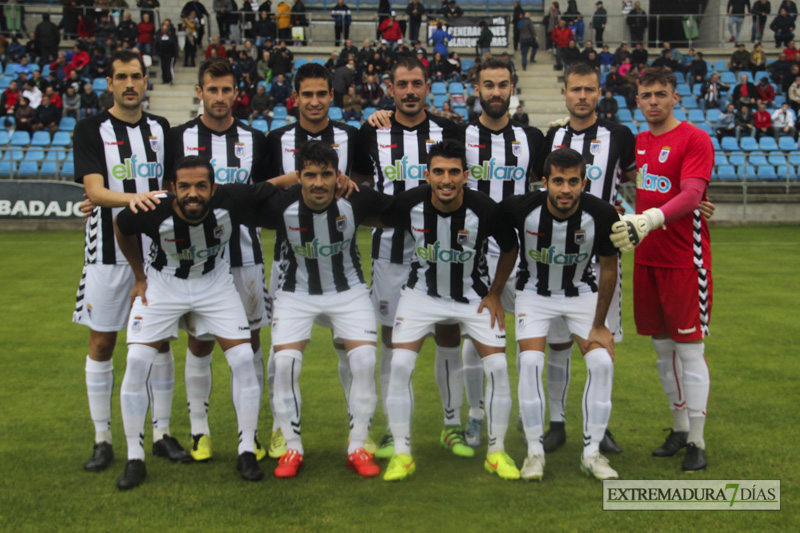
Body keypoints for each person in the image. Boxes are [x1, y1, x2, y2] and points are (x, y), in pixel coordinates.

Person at [112, 157, 278, 489]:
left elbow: (276, 184)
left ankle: (246, 448)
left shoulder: (231, 199)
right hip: (163, 286)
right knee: (136, 360)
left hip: (215, 286)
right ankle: (135, 457)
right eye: (184, 186)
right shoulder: (152, 208)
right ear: (171, 188)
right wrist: (139, 276)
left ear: (213, 188)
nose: (193, 193)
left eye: (201, 185)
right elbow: (121, 225)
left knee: (244, 358)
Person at [72, 51, 189, 475]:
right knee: (102, 343)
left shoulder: (162, 129)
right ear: (109, 83)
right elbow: (96, 191)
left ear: (145, 82)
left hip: (156, 254)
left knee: (158, 343)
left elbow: (173, 186)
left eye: (136, 76)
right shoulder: (89, 129)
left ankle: (161, 433)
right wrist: (132, 200)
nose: (129, 83)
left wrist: (156, 200)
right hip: (106, 253)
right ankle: (103, 438)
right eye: (121, 77)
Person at [379, 139, 520, 481]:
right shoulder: (409, 203)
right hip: (421, 295)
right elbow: (370, 214)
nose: (446, 179)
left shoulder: (484, 208)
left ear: (465, 175)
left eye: (454, 172)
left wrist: (496, 293)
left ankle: (497, 452)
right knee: (399, 364)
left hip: (473, 296)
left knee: (499, 367)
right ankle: (402, 453)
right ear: (427, 175)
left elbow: (510, 246)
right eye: (438, 172)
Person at [258, 141, 390, 479]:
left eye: (327, 175)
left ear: (338, 176)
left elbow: (401, 208)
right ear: (299, 176)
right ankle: (292, 447)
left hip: (348, 292)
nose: (319, 183)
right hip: (295, 292)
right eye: (311, 175)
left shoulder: (356, 199)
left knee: (363, 360)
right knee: (284, 362)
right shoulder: (280, 204)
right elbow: (241, 197)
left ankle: (357, 445)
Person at [354, 57, 463, 461]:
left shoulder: (448, 130)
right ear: (391, 88)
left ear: (427, 86)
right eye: (402, 84)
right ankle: (393, 428)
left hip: (442, 252)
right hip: (390, 252)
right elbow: (360, 183)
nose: (410, 91)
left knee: (449, 334)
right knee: (391, 341)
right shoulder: (371, 132)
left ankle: (452, 425)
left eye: (417, 83)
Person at [164, 58, 271, 464]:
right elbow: (166, 194)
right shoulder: (179, 138)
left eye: (227, 90)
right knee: (200, 341)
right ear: (201, 92)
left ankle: (251, 433)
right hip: (198, 260)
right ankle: (199, 432)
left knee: (251, 342)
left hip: (245, 257)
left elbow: (263, 193)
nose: (221, 97)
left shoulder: (255, 139)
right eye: (213, 90)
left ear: (236, 92)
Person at [611, 66, 713, 473]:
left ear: (675, 97)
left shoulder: (694, 138)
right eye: (646, 95)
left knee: (690, 351)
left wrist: (648, 219)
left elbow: (691, 194)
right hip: (648, 258)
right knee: (661, 351)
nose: (653, 101)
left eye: (661, 94)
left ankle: (698, 441)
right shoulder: (638, 143)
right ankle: (678, 427)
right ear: (637, 101)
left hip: (685, 260)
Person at [501, 147, 620, 481]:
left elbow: (610, 268)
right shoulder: (521, 208)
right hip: (534, 293)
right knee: (530, 362)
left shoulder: (602, 213)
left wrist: (599, 325)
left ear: (584, 182)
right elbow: (485, 218)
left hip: (581, 293)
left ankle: (592, 453)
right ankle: (534, 453)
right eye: (557, 181)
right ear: (544, 182)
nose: (565, 189)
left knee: (602, 363)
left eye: (572, 181)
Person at [263, 62, 362, 458]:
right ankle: (280, 431)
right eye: (308, 94)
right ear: (296, 97)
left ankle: (359, 432)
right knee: (281, 356)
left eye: (322, 94)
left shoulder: (353, 136)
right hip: (291, 264)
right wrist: (298, 177)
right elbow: (261, 191)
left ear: (331, 97)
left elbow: (367, 183)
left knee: (349, 349)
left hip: (341, 265)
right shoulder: (275, 139)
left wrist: (352, 183)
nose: (315, 101)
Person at [539, 62, 635, 455]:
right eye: (575, 89)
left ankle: (600, 427)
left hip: (602, 254)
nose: (582, 96)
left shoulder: (619, 135)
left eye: (589, 90)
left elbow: (635, 180)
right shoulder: (552, 136)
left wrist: (638, 220)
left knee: (602, 341)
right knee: (558, 344)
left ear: (599, 93)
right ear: (565, 93)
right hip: (557, 254)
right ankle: (557, 422)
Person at [459, 57, 546, 448]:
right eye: (488, 85)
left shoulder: (534, 138)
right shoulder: (457, 136)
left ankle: (536, 420)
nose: (496, 92)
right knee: (474, 340)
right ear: (476, 89)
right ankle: (476, 415)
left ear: (513, 88)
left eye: (503, 84)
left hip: (521, 254)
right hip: (474, 254)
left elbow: (562, 182)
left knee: (532, 340)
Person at [156, 21, 178, 85]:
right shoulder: (159, 36)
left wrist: (176, 55)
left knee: (169, 67)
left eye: (166, 29)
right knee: (163, 67)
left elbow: (174, 45)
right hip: (162, 55)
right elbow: (156, 44)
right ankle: (164, 79)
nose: (164, 30)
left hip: (170, 55)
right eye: (163, 29)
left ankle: (171, 79)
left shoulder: (171, 36)